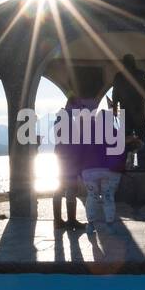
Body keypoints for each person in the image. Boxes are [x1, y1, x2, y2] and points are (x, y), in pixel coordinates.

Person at [77, 99, 126, 235]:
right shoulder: (115, 132)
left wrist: (79, 172)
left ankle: (90, 225)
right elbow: (122, 152)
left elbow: (79, 152)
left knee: (92, 196)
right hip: (110, 171)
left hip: (89, 170)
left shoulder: (87, 132)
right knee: (108, 196)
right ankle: (109, 224)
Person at [109, 54, 145, 170]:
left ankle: (125, 164)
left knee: (125, 139)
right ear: (134, 62)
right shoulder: (141, 74)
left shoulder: (119, 76)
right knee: (142, 138)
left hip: (125, 113)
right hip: (139, 111)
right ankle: (143, 165)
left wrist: (115, 109)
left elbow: (115, 94)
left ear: (123, 63)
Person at [52, 97, 83, 231]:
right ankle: (71, 221)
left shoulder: (60, 118)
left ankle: (58, 221)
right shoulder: (68, 120)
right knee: (70, 189)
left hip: (60, 157)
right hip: (69, 160)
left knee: (59, 189)